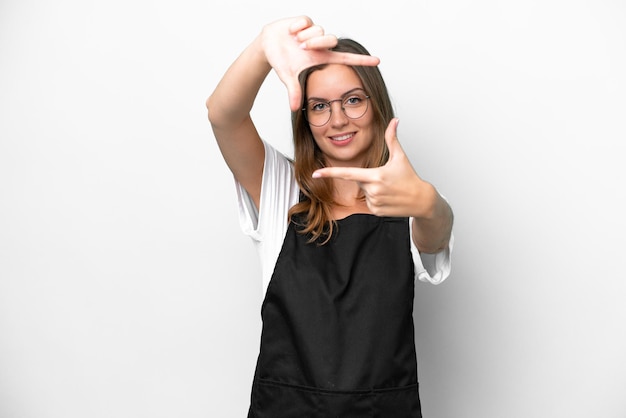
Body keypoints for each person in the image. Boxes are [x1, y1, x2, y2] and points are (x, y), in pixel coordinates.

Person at [207, 16, 454, 418]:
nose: (337, 120)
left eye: (353, 100)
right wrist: (263, 47)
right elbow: (223, 116)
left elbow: (437, 231)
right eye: (319, 106)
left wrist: (428, 203)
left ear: (377, 106)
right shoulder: (280, 190)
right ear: (304, 118)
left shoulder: (409, 200)